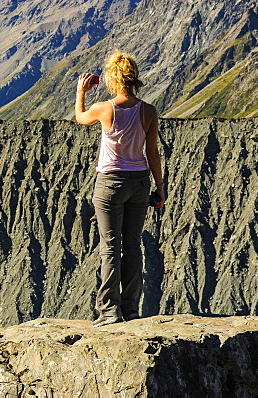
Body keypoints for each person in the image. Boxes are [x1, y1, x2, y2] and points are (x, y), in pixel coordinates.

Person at [75, 51, 166, 327]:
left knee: (110, 249)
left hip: (110, 184)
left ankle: (108, 312)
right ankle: (131, 309)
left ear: (112, 80)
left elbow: (80, 118)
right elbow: (152, 153)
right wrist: (160, 188)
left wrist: (81, 92)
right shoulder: (148, 110)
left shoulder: (105, 109)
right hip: (139, 182)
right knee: (133, 247)